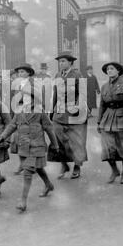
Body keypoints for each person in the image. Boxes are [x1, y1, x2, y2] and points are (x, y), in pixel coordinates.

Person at [0, 87, 59, 213]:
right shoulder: (19, 111)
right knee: (37, 167)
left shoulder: (39, 112)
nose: (25, 100)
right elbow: (12, 125)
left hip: (37, 146)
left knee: (28, 171)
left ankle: (23, 201)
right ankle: (48, 185)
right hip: (23, 147)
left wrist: (55, 144)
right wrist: (3, 136)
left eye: (28, 97)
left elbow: (49, 128)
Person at [48, 50, 88, 180]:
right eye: (60, 61)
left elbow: (82, 93)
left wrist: (78, 108)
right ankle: (64, 164)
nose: (61, 63)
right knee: (57, 140)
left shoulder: (77, 74)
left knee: (76, 140)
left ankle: (77, 166)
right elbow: (55, 93)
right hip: (59, 113)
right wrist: (51, 111)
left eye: (63, 61)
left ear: (70, 62)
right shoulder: (58, 75)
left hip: (74, 113)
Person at [97, 62, 123, 184]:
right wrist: (99, 121)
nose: (109, 71)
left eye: (112, 69)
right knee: (107, 148)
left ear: (118, 71)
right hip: (108, 118)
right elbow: (102, 105)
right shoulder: (104, 87)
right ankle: (114, 170)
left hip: (122, 116)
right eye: (107, 69)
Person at [11, 63, 36, 175]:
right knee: (17, 139)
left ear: (29, 73)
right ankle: (22, 163)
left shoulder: (34, 83)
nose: (20, 74)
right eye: (19, 72)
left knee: (30, 140)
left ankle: (31, 165)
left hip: (31, 113)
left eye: (22, 72)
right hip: (19, 112)